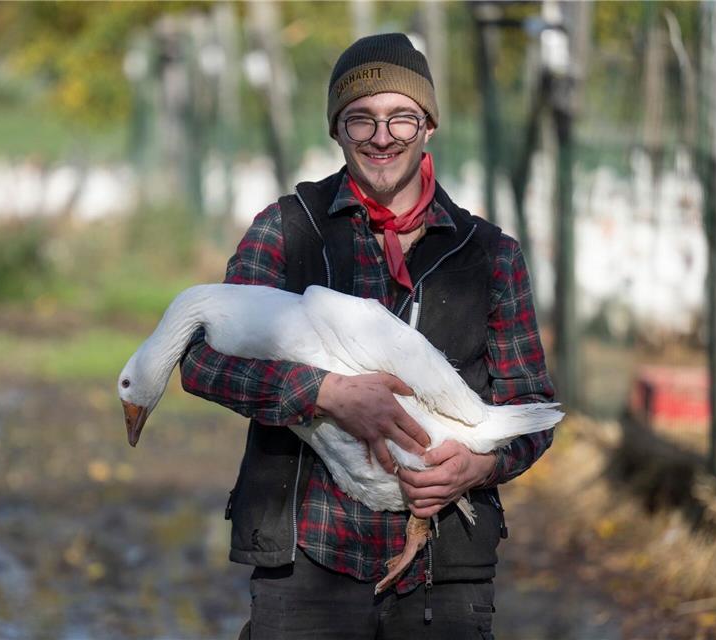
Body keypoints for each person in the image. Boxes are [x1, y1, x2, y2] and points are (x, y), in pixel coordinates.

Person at [181, 32, 555, 639]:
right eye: (361, 120)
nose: (383, 137)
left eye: (401, 117)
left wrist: (475, 469)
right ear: (336, 130)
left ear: (428, 125)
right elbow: (200, 361)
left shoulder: (489, 255)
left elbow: (531, 408)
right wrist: (322, 392)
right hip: (305, 563)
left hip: (445, 570)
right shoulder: (286, 231)